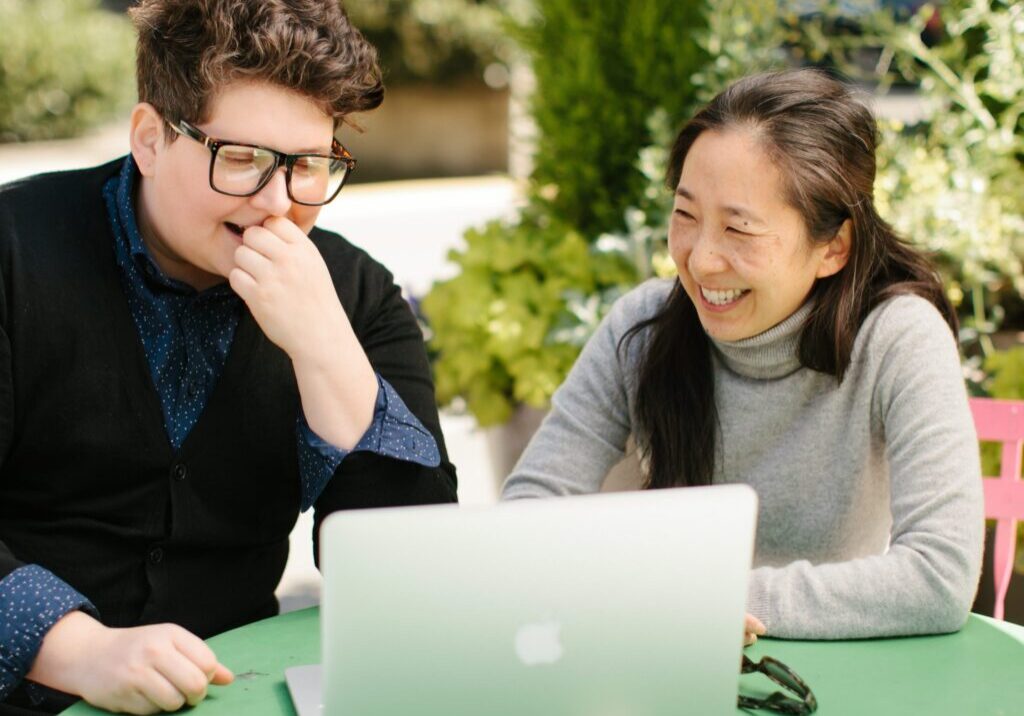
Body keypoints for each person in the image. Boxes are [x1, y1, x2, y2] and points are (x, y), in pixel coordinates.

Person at [0, 1, 457, 712]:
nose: (278, 203)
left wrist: (324, 348)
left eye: (308, 165)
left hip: (227, 694)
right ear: (149, 139)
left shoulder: (356, 293)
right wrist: (79, 649)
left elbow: (417, 581)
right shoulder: (12, 250)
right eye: (241, 159)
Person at [502, 69, 984, 642]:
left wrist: (707, 597)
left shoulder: (898, 337)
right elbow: (525, 517)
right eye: (685, 216)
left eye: (739, 229)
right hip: (675, 664)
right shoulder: (645, 325)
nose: (701, 260)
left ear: (834, 246)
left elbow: (939, 574)